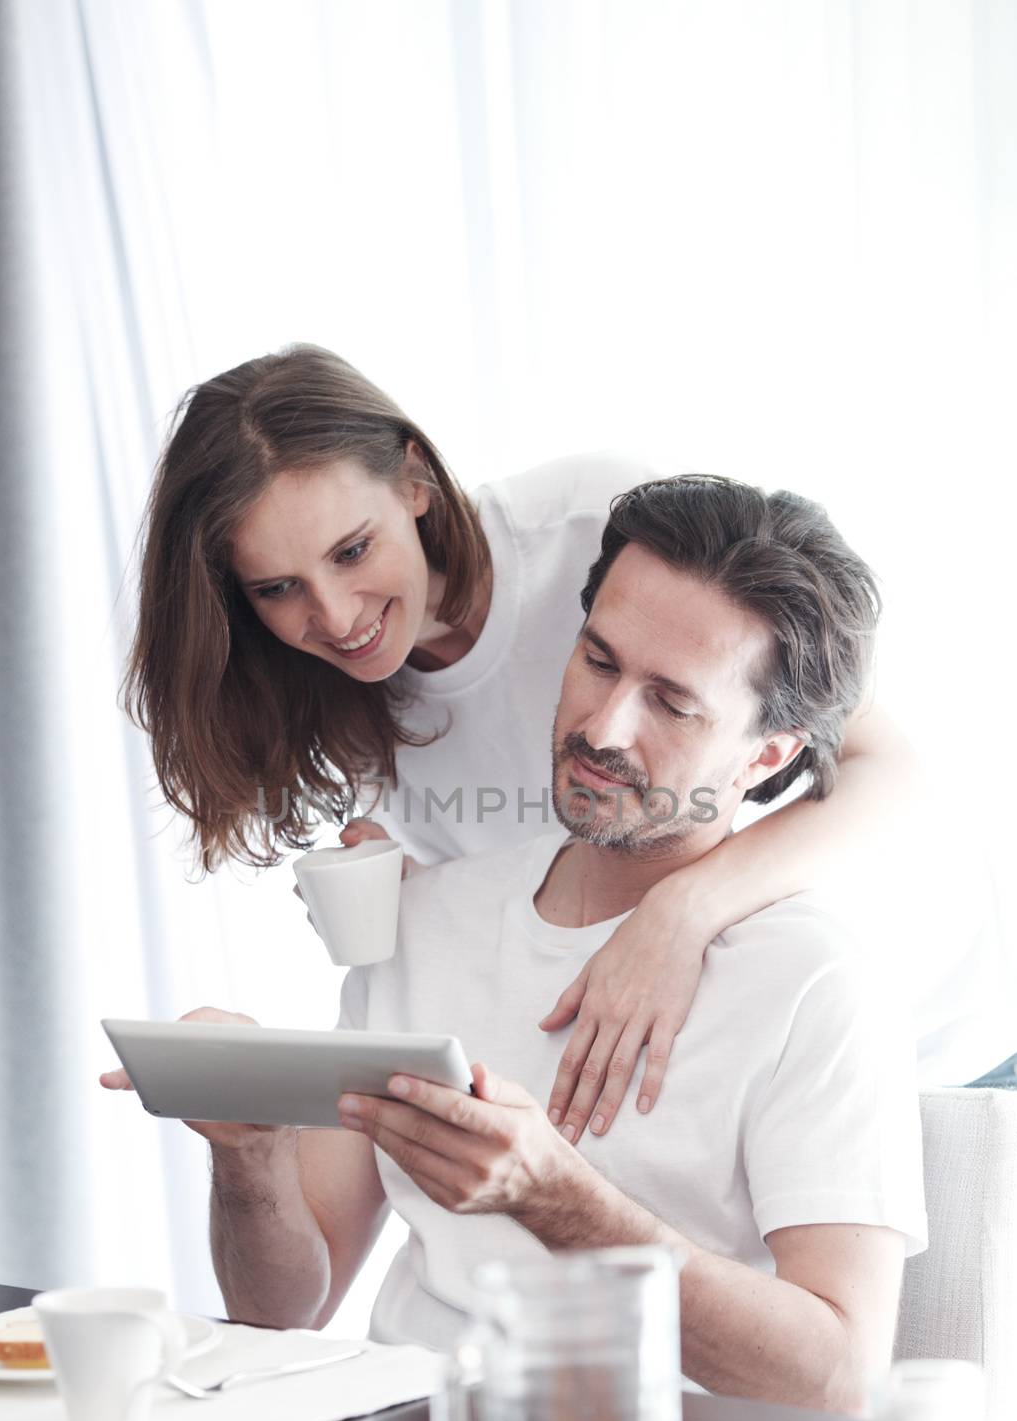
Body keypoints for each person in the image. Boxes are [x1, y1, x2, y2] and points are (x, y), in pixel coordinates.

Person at [110, 475, 927, 1413]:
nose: (603, 726)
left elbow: (836, 1376)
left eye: (671, 702)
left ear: (766, 757)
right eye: (598, 661)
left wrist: (557, 1200)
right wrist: (247, 1155)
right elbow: (279, 1310)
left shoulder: (811, 979)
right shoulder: (423, 920)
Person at [122, 345, 922, 1144]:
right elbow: (550, 870)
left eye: (353, 550)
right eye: (277, 588)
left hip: (892, 1018)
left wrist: (676, 915)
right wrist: (430, 900)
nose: (333, 617)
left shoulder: (592, 524)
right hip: (655, 1063)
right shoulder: (334, 695)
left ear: (414, 482)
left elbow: (884, 768)